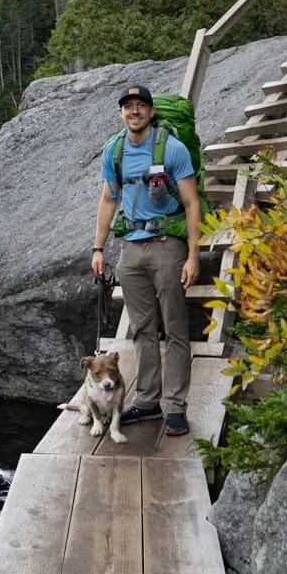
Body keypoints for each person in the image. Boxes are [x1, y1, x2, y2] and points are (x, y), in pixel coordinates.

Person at [91, 84, 202, 437]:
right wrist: (98, 248)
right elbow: (109, 200)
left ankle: (176, 408)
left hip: (168, 245)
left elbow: (191, 203)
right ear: (120, 112)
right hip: (131, 249)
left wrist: (193, 255)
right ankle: (148, 401)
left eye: (141, 106)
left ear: (151, 112)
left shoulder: (172, 148)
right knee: (141, 330)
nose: (134, 111)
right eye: (128, 106)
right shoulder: (115, 150)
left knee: (174, 327)